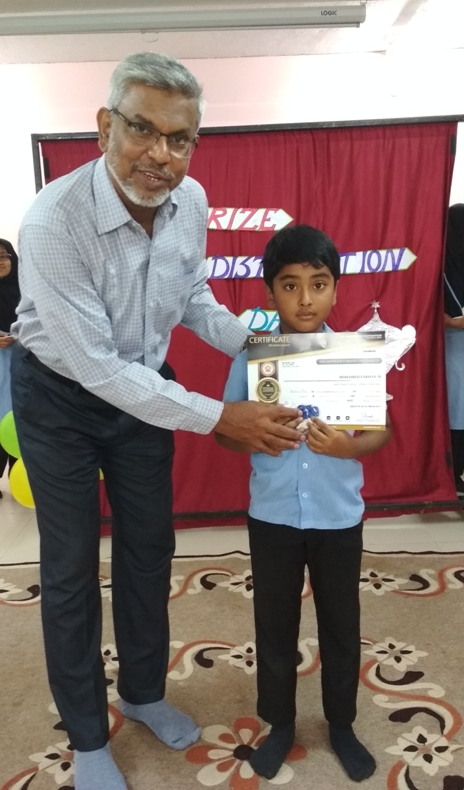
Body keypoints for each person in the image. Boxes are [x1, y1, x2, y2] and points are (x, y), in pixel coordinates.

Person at [11, 52, 304, 790]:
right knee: (71, 567)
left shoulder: (191, 201)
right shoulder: (52, 221)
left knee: (148, 549)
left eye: (180, 138)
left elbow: (194, 296)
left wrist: (260, 344)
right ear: (104, 126)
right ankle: (87, 737)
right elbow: (98, 368)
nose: (160, 155)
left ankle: (141, 692)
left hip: (143, 389)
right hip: (60, 398)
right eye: (142, 129)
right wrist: (219, 416)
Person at [216, 224, 392, 782]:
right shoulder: (254, 357)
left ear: (336, 289)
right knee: (275, 623)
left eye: (318, 284)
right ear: (269, 293)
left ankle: (341, 724)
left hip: (338, 517)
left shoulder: (354, 355)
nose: (306, 298)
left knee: (341, 622)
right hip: (273, 516)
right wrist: (253, 436)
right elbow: (223, 430)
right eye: (289, 286)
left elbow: (380, 431)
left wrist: (347, 446)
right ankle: (281, 723)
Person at [444, 204, 464, 496]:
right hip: (453, 349)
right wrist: (451, 322)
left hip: (455, 344)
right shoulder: (444, 266)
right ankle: (454, 474)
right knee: (457, 409)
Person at [0, 239, 20, 495]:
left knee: (19, 417)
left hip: (22, 359)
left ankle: (20, 477)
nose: (0, 262)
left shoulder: (26, 288)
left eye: (3, 256)